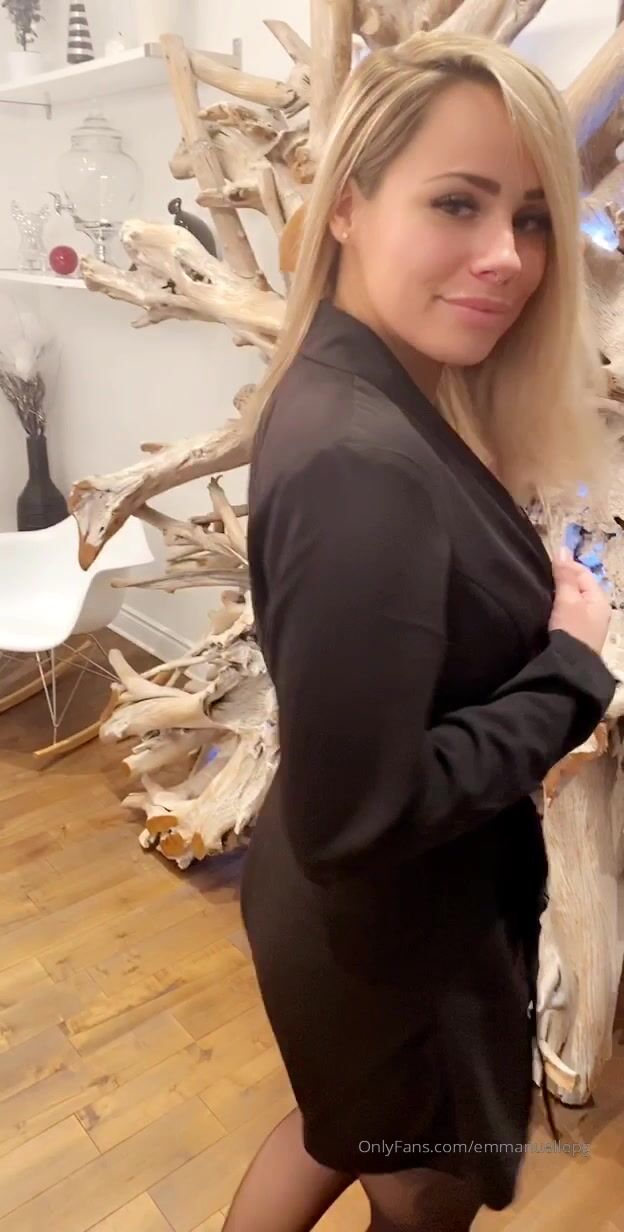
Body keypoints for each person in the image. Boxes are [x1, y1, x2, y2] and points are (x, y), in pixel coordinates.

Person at [223, 31, 616, 1232]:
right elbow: (366, 814)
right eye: (458, 201)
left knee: (330, 1130)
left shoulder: (356, 383)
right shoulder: (362, 454)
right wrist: (572, 665)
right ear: (347, 204)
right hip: (397, 952)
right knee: (415, 1194)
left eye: (534, 217)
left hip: (348, 922)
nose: (509, 256)